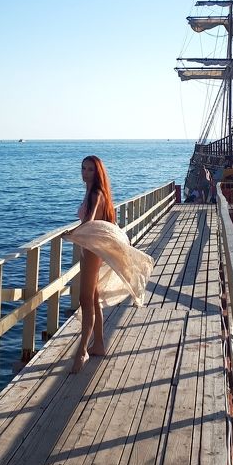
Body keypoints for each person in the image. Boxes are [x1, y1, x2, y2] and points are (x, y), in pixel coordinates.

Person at [64, 156, 154, 373]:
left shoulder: (95, 193)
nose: (85, 173)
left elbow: (90, 221)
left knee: (85, 299)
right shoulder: (95, 192)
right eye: (83, 168)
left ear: (98, 173)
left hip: (92, 250)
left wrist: (70, 234)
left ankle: (82, 350)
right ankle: (100, 345)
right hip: (92, 247)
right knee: (93, 297)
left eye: (90, 170)